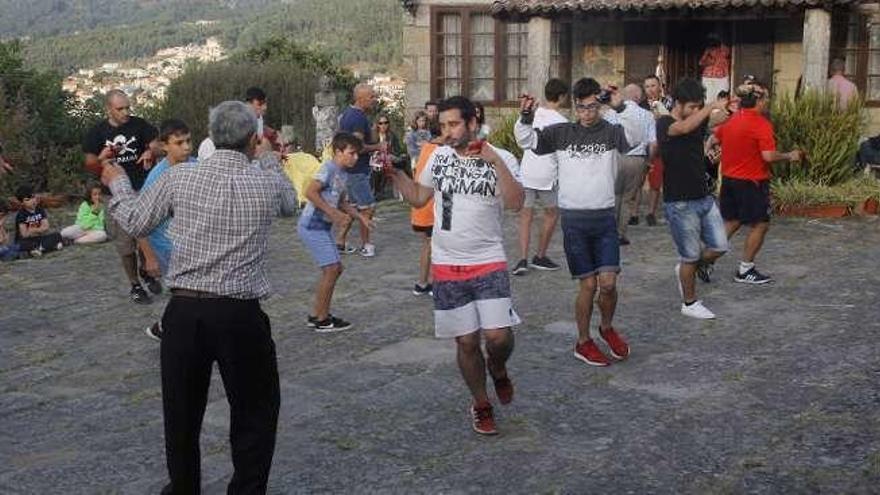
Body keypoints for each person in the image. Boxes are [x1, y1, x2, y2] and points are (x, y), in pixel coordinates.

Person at [101, 100, 296, 493]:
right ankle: (246, 488)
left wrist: (118, 183)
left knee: (181, 412)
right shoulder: (266, 181)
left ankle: (184, 487)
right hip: (240, 314)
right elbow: (290, 205)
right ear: (251, 140)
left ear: (211, 137)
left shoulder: (180, 179)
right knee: (255, 411)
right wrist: (270, 159)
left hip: (186, 310)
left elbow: (136, 219)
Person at [392, 96, 524, 436]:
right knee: (466, 343)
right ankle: (481, 403)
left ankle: (497, 367)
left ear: (472, 123)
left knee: (497, 337)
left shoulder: (501, 157)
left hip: (488, 259)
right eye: (443, 126)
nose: (446, 132)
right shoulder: (438, 156)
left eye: (453, 125)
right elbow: (420, 197)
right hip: (447, 263)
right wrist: (396, 173)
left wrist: (493, 160)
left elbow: (516, 203)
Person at [515, 77, 632, 368]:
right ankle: (583, 341)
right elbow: (527, 141)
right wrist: (526, 116)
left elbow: (637, 139)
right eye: (581, 108)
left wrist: (620, 107)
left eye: (593, 107)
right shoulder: (561, 132)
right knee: (589, 285)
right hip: (575, 221)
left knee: (608, 284)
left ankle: (606, 327)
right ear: (575, 106)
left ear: (599, 104)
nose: (587, 114)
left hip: (604, 218)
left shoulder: (611, 130)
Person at [708, 80, 803, 284]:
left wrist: (712, 150)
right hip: (752, 182)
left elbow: (713, 139)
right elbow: (768, 156)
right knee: (761, 224)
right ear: (759, 102)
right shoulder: (761, 124)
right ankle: (745, 269)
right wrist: (789, 156)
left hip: (730, 180)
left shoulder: (732, 120)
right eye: (766, 98)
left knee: (732, 222)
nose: (767, 102)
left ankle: (705, 260)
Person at [656, 78, 730, 319]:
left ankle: (687, 270)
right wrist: (709, 107)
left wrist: (731, 108)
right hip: (679, 202)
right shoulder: (664, 122)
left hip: (703, 197)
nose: (696, 111)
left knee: (720, 246)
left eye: (699, 106)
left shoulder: (698, 119)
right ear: (679, 103)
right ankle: (689, 303)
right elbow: (684, 128)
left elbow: (718, 120)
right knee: (690, 255)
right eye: (692, 107)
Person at [82, 89, 161, 304]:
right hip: (114, 195)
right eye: (120, 109)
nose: (125, 112)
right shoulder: (97, 133)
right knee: (125, 245)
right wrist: (101, 159)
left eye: (127, 107)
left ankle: (147, 270)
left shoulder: (138, 124)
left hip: (142, 189)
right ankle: (135, 284)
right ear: (108, 109)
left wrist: (150, 151)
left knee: (147, 234)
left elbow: (156, 142)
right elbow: (89, 164)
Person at [299, 132, 373, 332]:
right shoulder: (329, 168)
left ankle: (317, 314)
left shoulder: (343, 173)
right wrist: (333, 213)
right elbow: (310, 192)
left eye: (357, 154)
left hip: (321, 227)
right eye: (351, 153)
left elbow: (341, 201)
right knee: (332, 269)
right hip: (311, 225)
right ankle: (321, 319)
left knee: (334, 269)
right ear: (338, 152)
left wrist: (361, 217)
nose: (355, 157)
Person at [142, 119, 196, 341]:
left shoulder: (196, 165)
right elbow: (140, 221)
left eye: (189, 141)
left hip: (191, 239)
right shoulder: (157, 177)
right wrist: (149, 257)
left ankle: (164, 327)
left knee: (191, 291)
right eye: (179, 142)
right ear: (164, 146)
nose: (186, 147)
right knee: (188, 291)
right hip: (166, 244)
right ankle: (169, 329)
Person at [513, 78, 569, 275]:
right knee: (552, 214)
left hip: (528, 172)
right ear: (562, 97)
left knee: (525, 217)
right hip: (547, 175)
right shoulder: (563, 123)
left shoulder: (532, 114)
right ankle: (540, 255)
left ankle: (522, 259)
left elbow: (521, 136)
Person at [336, 84, 384, 257]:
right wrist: (378, 146)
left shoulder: (348, 114)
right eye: (371, 97)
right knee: (367, 208)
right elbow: (357, 147)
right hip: (357, 171)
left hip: (349, 170)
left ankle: (340, 242)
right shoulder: (357, 118)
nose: (374, 100)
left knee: (352, 207)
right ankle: (366, 244)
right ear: (360, 98)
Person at [605, 84, 656, 245]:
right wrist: (649, 161)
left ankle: (609, 231)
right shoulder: (647, 115)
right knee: (628, 198)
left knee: (613, 195)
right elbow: (653, 144)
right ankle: (620, 233)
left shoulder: (610, 113)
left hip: (614, 157)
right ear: (639, 97)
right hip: (637, 160)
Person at [198, 87, 278, 162]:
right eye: (260, 104)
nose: (264, 108)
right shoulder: (208, 145)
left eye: (265, 104)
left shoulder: (262, 124)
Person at [643, 75, 673, 226]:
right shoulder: (641, 105)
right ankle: (650, 212)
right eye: (647, 86)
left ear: (660, 86)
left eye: (653, 85)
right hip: (647, 146)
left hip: (667, 146)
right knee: (652, 182)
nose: (650, 89)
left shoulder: (669, 102)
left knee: (669, 181)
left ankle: (669, 212)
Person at [409, 141, 437, 296]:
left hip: (421, 209)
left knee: (427, 245)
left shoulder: (426, 148)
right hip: (431, 208)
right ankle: (434, 282)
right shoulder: (441, 151)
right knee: (436, 246)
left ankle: (422, 283)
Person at [14, 185, 64, 257]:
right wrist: (39, 230)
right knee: (23, 245)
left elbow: (46, 227)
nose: (32, 201)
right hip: (25, 241)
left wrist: (33, 230)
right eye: (28, 200)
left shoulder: (40, 210)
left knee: (57, 235)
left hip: (38, 238)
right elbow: (24, 234)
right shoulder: (21, 214)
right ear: (22, 203)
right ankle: (46, 248)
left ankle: (38, 249)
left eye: (33, 197)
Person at [370, 114, 408, 199]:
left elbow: (398, 150)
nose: (383, 125)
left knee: (401, 164)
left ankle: (403, 191)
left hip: (389, 160)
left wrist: (393, 155)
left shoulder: (392, 136)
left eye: (385, 123)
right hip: (376, 161)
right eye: (381, 123)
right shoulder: (373, 136)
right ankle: (378, 192)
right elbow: (370, 151)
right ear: (377, 124)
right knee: (377, 169)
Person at [699, 34, 731, 102]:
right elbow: (701, 63)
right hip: (708, 78)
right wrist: (707, 53)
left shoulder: (723, 51)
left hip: (721, 78)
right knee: (708, 100)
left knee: (721, 99)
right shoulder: (708, 53)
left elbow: (727, 52)